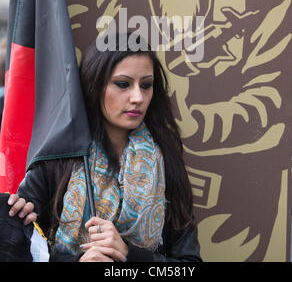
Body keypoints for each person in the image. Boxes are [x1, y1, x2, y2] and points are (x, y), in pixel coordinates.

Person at [7, 32, 201, 262]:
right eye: (123, 84)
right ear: (95, 84)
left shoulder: (165, 161)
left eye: (146, 85)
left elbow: (188, 263)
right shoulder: (59, 158)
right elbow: (16, 252)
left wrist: (130, 255)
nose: (138, 97)